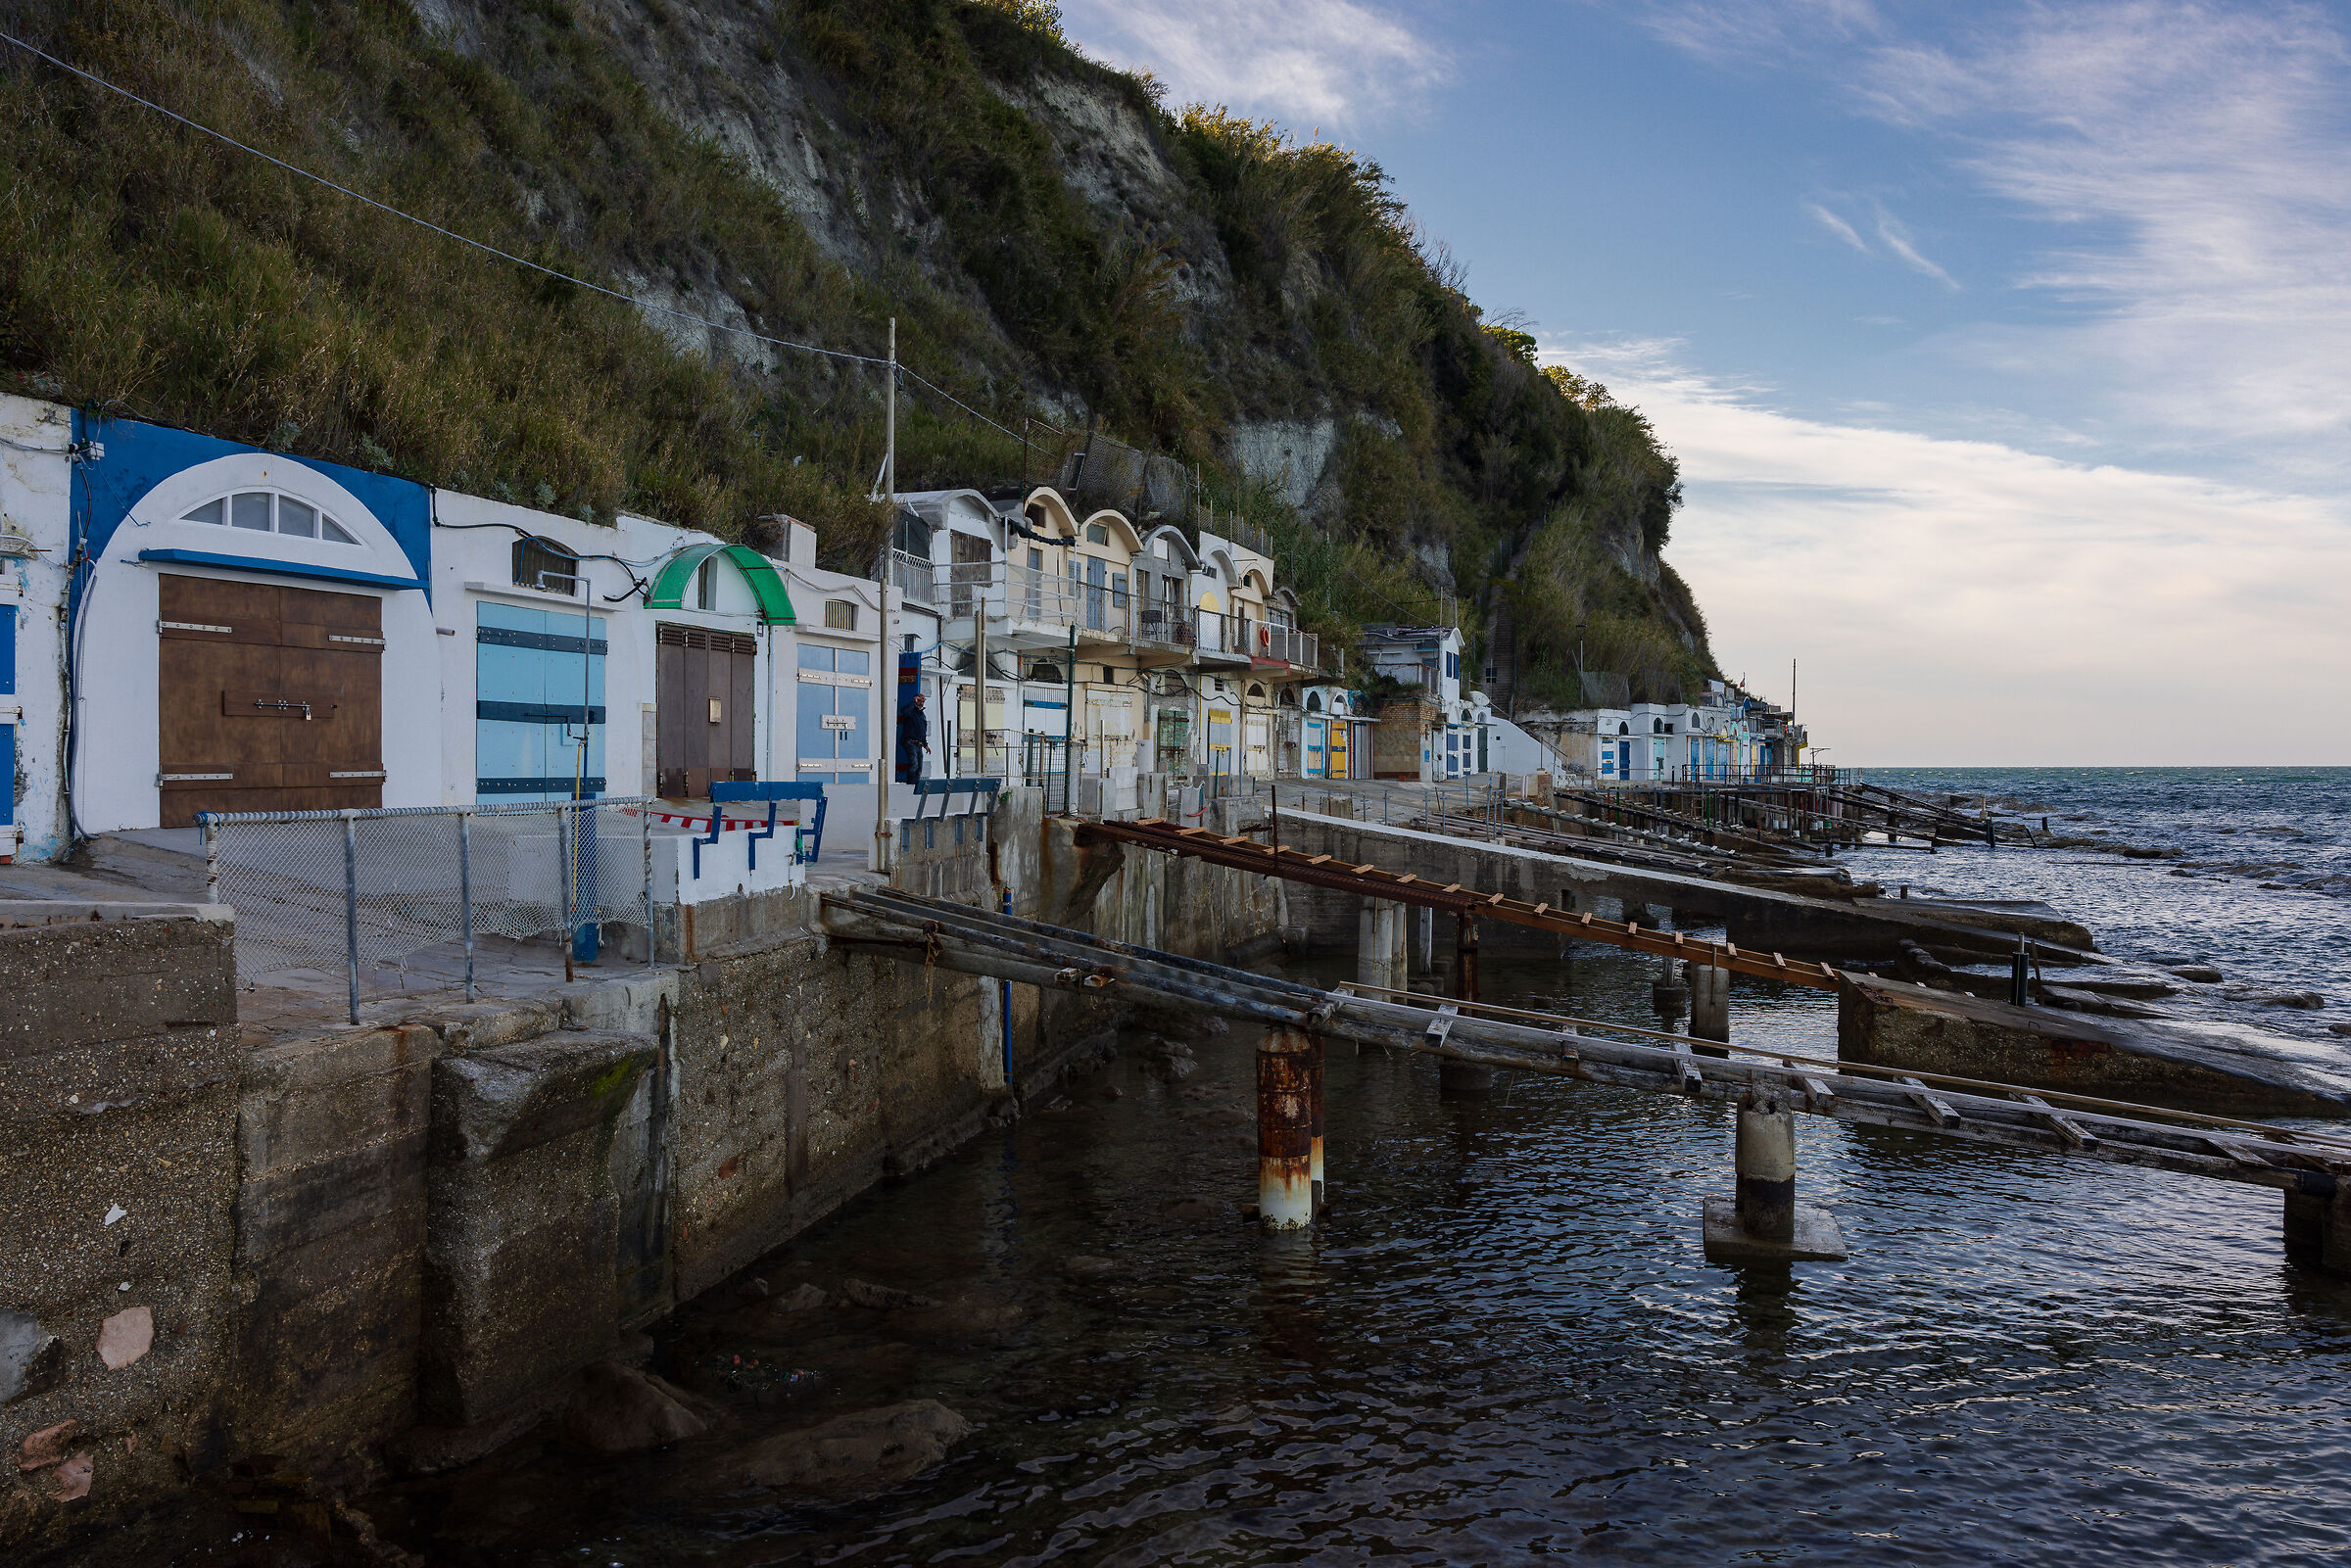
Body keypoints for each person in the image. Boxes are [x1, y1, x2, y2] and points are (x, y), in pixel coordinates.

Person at [895, 690, 930, 784]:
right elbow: (904, 711)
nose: (921, 703)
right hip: (910, 742)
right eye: (919, 700)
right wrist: (913, 702)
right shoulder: (910, 711)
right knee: (914, 764)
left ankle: (916, 784)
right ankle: (910, 784)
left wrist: (925, 744)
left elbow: (923, 731)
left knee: (919, 767)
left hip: (919, 744)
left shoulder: (922, 715)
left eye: (923, 701)